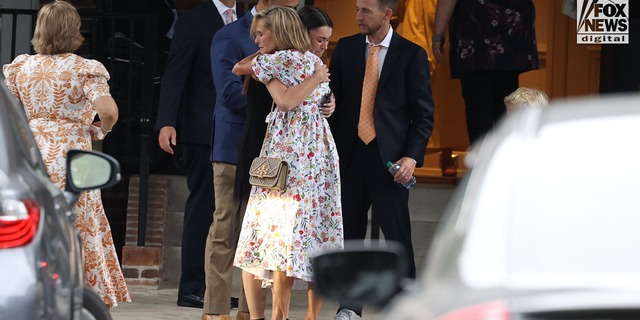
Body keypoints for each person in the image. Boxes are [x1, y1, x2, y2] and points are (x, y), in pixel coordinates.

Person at [2, 0, 130, 308]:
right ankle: (83, 296)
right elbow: (108, 111)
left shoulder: (22, 66)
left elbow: (9, 110)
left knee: (36, 221)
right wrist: (100, 129)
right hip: (71, 155)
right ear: (73, 30)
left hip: (32, 153)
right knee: (79, 221)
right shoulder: (84, 68)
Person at [231, 6, 343, 320]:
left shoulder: (289, 61)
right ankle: (295, 316)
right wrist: (316, 78)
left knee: (279, 236)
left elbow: (288, 99)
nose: (256, 39)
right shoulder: (307, 63)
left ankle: (276, 316)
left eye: (261, 33)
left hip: (296, 154)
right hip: (306, 152)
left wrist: (326, 99)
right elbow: (248, 73)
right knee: (304, 233)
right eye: (319, 38)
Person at [328, 0, 434, 318]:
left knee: (397, 236)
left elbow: (424, 115)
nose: (358, 17)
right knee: (349, 235)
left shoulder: (412, 54)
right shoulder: (345, 49)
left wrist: (412, 158)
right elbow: (332, 100)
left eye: (365, 11)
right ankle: (349, 308)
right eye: (357, 9)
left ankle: (407, 308)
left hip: (390, 162)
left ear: (387, 14)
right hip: (348, 156)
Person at [205, 1, 299, 319]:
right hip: (236, 147)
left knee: (259, 235)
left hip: (274, 155)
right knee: (225, 229)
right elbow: (229, 92)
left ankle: (248, 312)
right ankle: (216, 310)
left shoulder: (294, 58)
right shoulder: (229, 35)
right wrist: (277, 96)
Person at [156, 0, 241, 309]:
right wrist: (166, 121)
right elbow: (175, 72)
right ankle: (191, 286)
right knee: (203, 207)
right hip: (202, 129)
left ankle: (213, 289)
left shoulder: (245, 19)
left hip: (232, 130)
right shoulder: (194, 21)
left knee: (224, 214)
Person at [432, 0, 539, 144]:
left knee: (479, 107)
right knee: (506, 103)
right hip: (511, 21)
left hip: (478, 27)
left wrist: (438, 35)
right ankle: (505, 161)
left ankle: (483, 162)